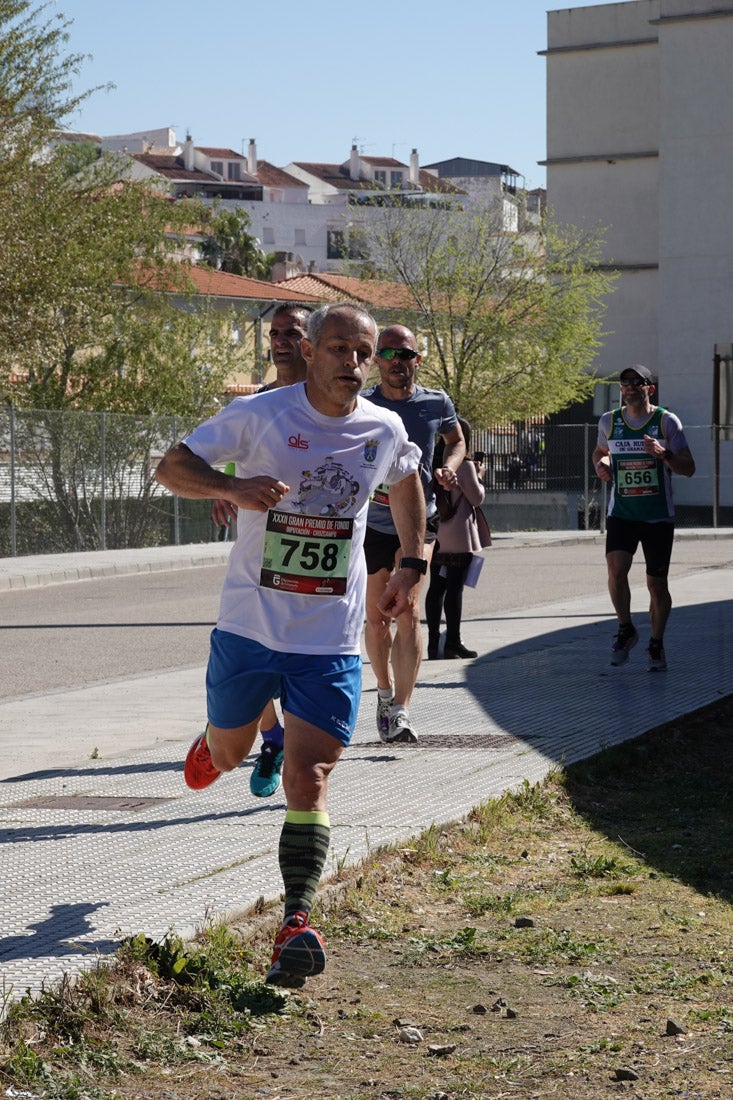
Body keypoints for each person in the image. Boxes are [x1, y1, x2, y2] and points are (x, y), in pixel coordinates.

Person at [155, 302, 425, 988]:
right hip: (249, 629)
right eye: (339, 348)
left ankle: (296, 921)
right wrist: (230, 486)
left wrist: (410, 563)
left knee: (310, 778)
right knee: (229, 753)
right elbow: (170, 467)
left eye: (362, 352)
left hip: (328, 641)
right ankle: (212, 742)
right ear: (309, 350)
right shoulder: (262, 415)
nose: (353, 363)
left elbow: (404, 481)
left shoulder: (383, 426)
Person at [211, 304, 312, 800]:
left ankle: (291, 746)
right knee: (255, 647)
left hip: (319, 561)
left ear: (311, 341)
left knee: (302, 661)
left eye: (291, 332)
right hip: (260, 554)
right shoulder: (256, 403)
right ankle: (270, 738)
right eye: (274, 333)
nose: (280, 340)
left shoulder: (335, 400)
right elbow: (226, 454)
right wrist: (223, 488)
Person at [362, 325, 465, 743]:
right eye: (388, 354)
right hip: (370, 521)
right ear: (377, 360)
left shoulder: (435, 402)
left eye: (405, 354)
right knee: (376, 617)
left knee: (408, 610)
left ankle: (401, 710)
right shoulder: (361, 403)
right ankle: (384, 694)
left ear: (417, 360)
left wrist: (450, 467)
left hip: (420, 521)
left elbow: (457, 441)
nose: (397, 362)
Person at [592, 364, 695, 670]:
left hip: (657, 516)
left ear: (650, 389)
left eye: (637, 383)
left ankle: (656, 643)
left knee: (656, 584)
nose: (630, 388)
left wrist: (664, 454)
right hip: (622, 511)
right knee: (615, 568)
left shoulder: (666, 422)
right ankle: (626, 629)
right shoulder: (610, 421)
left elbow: (688, 467)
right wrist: (602, 465)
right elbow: (600, 452)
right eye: (625, 384)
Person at [425, 417, 486, 660]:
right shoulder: (466, 466)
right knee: (455, 589)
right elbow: (477, 498)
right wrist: (479, 476)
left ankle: (431, 642)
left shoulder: (431, 463)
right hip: (459, 537)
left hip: (435, 534)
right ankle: (452, 642)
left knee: (435, 587)